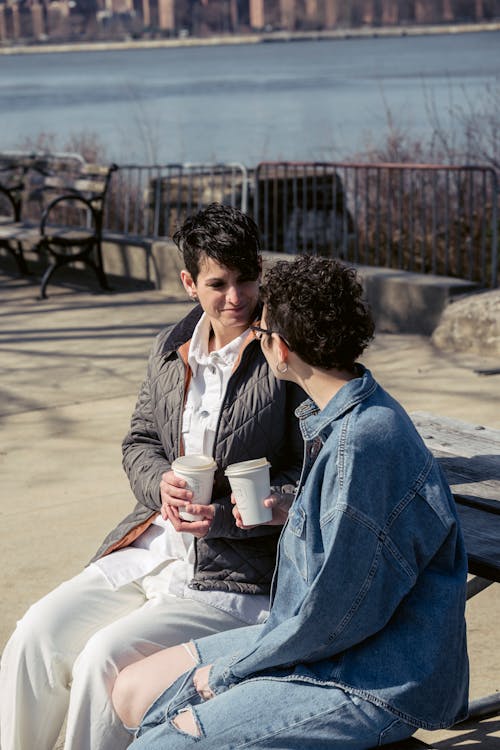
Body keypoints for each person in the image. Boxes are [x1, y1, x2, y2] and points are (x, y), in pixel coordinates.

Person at [112, 255, 469, 750]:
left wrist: (229, 673)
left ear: (280, 347)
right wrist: (290, 505)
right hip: (328, 640)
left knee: (163, 739)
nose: (255, 339)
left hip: (372, 676)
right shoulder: (349, 414)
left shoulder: (360, 447)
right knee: (132, 690)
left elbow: (337, 619)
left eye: (260, 330)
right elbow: (351, 536)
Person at [0, 204, 304, 750]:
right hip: (152, 549)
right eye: (217, 284)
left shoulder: (284, 355)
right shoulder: (170, 348)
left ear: (260, 269)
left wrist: (237, 513)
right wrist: (159, 480)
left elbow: (315, 471)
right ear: (189, 282)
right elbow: (140, 441)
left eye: (246, 280)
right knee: (36, 637)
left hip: (232, 578)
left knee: (103, 661)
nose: (235, 298)